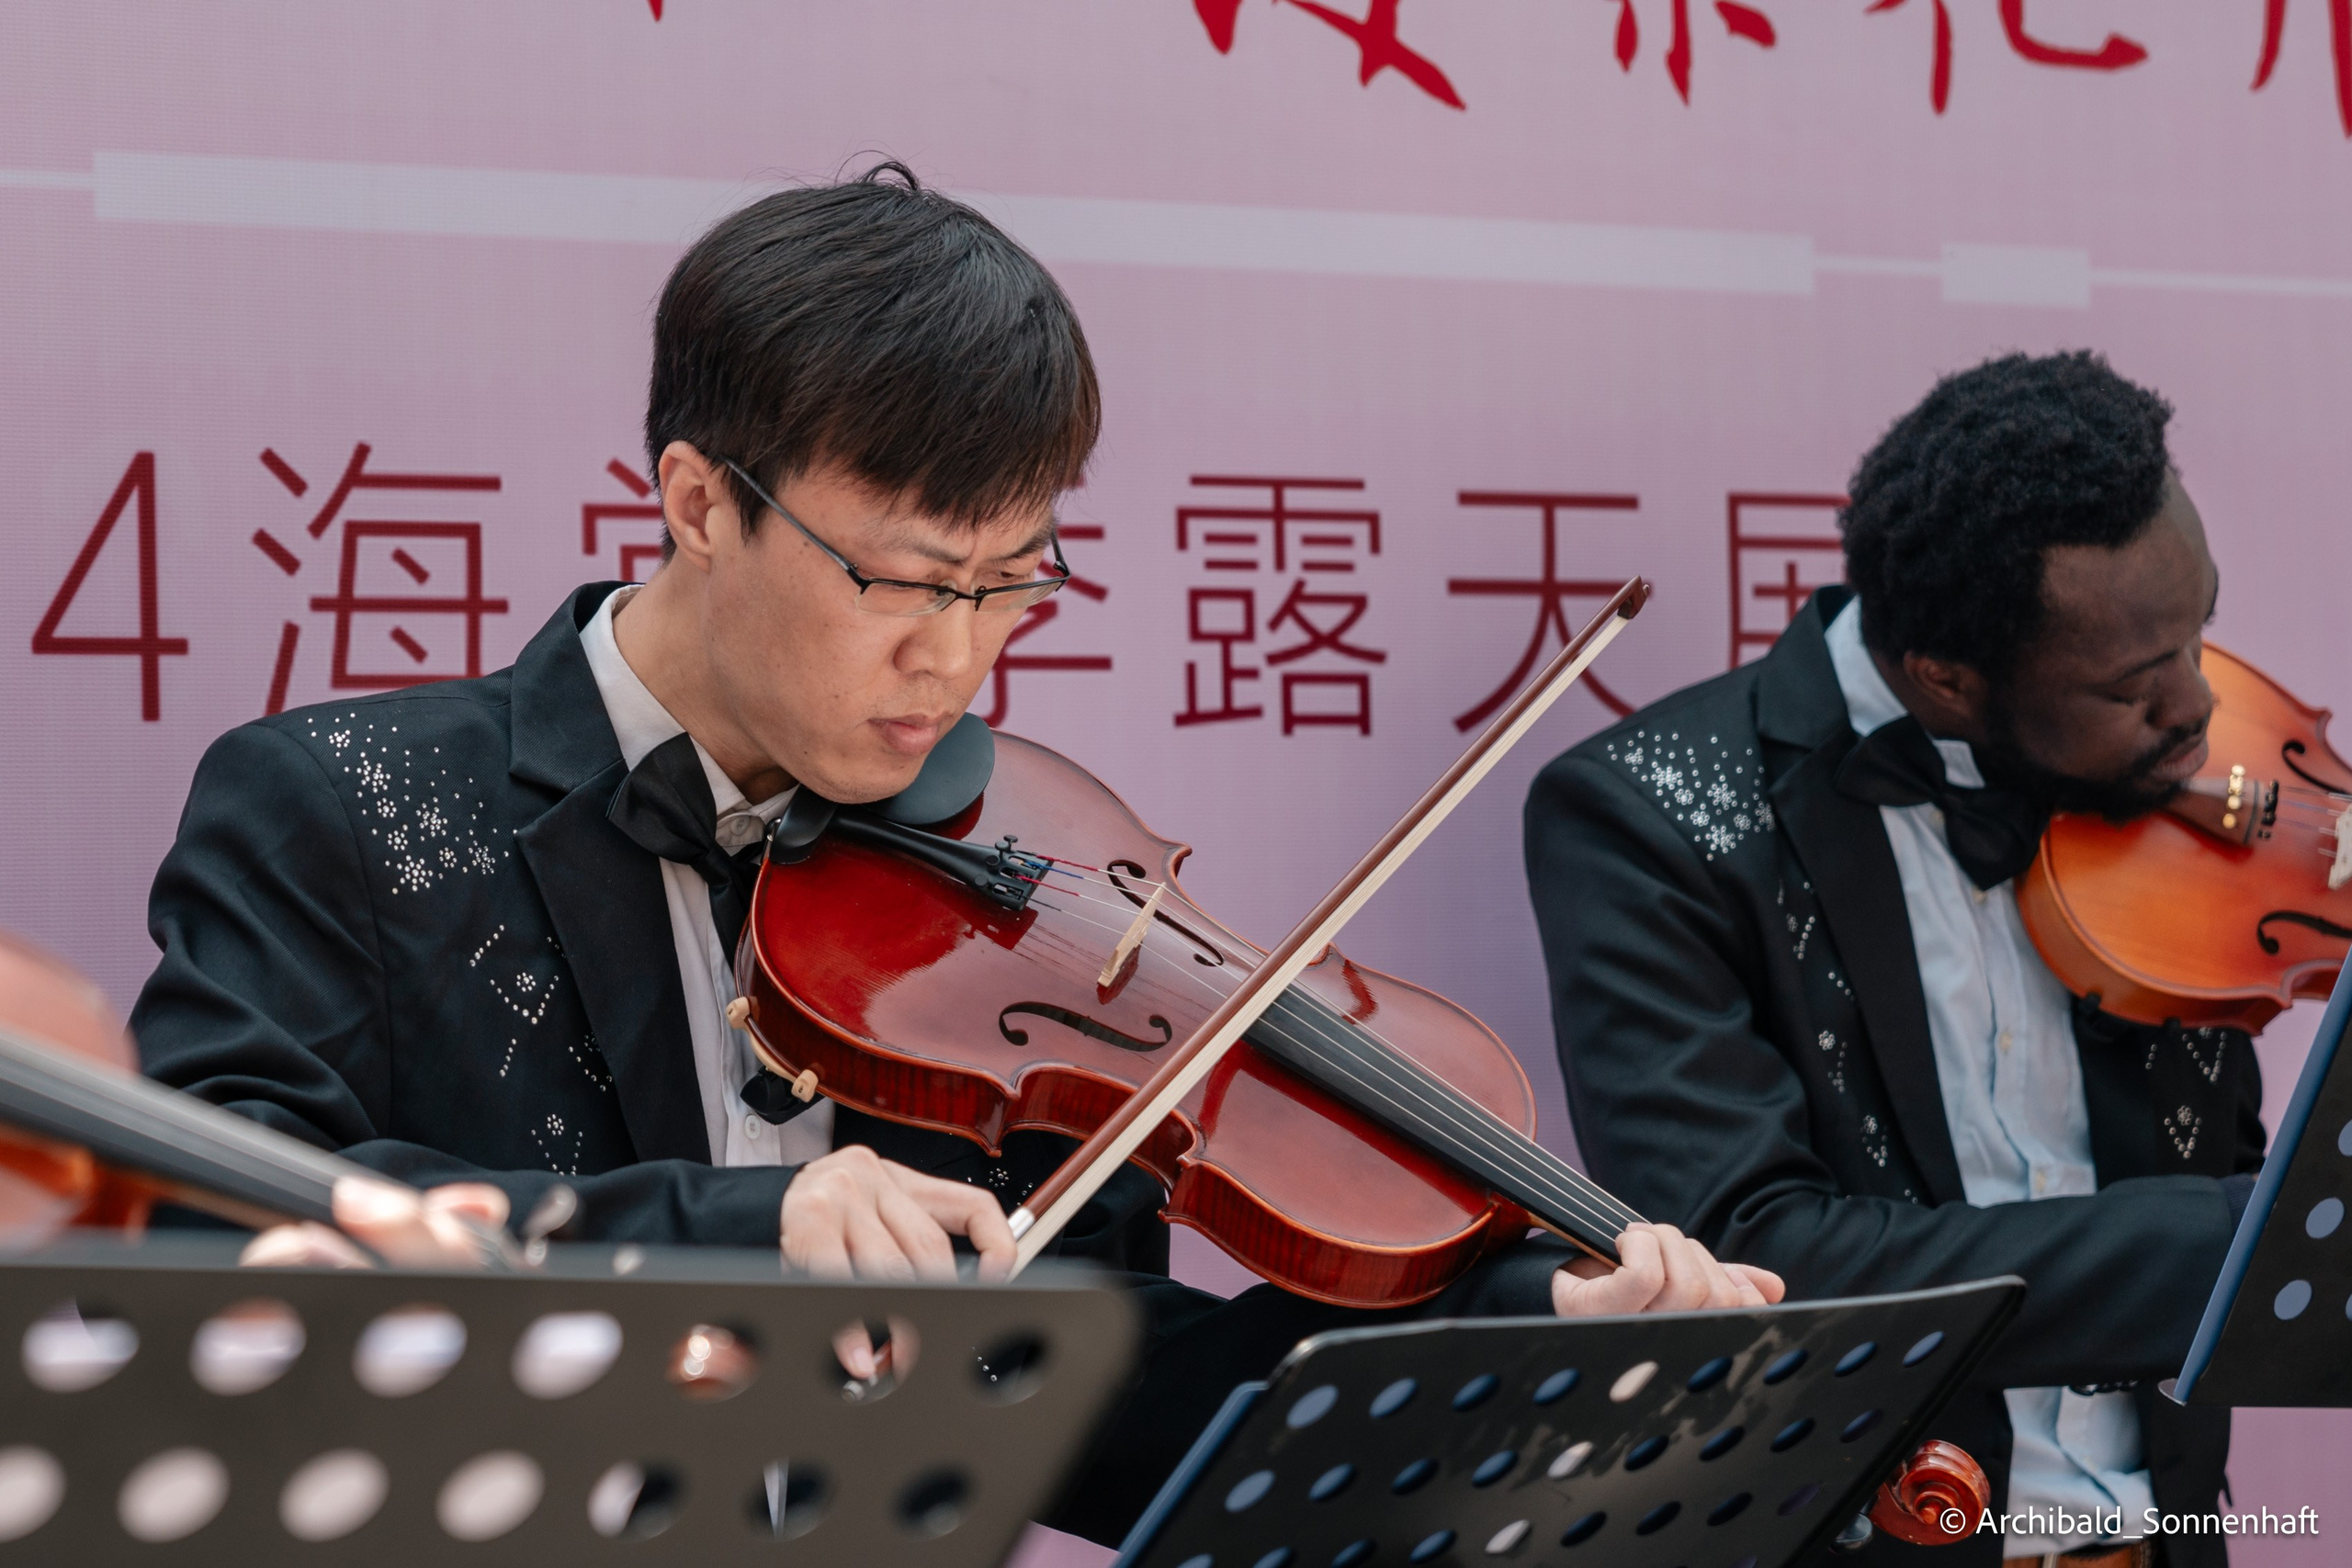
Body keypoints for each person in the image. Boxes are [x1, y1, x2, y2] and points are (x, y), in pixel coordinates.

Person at [133, 164, 1779, 1543]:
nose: (962, 659)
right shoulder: (343, 805)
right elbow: (198, 1242)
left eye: (1014, 584)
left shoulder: (1006, 879)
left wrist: (1505, 1351)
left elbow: (1090, 1386)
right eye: (909, 583)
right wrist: (736, 1228)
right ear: (699, 503)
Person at [1526, 352, 2262, 1568]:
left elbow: (2214, 1143)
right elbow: (1770, 1257)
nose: (2198, 713)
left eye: (2200, 638)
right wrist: (2245, 1236)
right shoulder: (1653, 817)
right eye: (2137, 683)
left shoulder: (2151, 794)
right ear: (1949, 678)